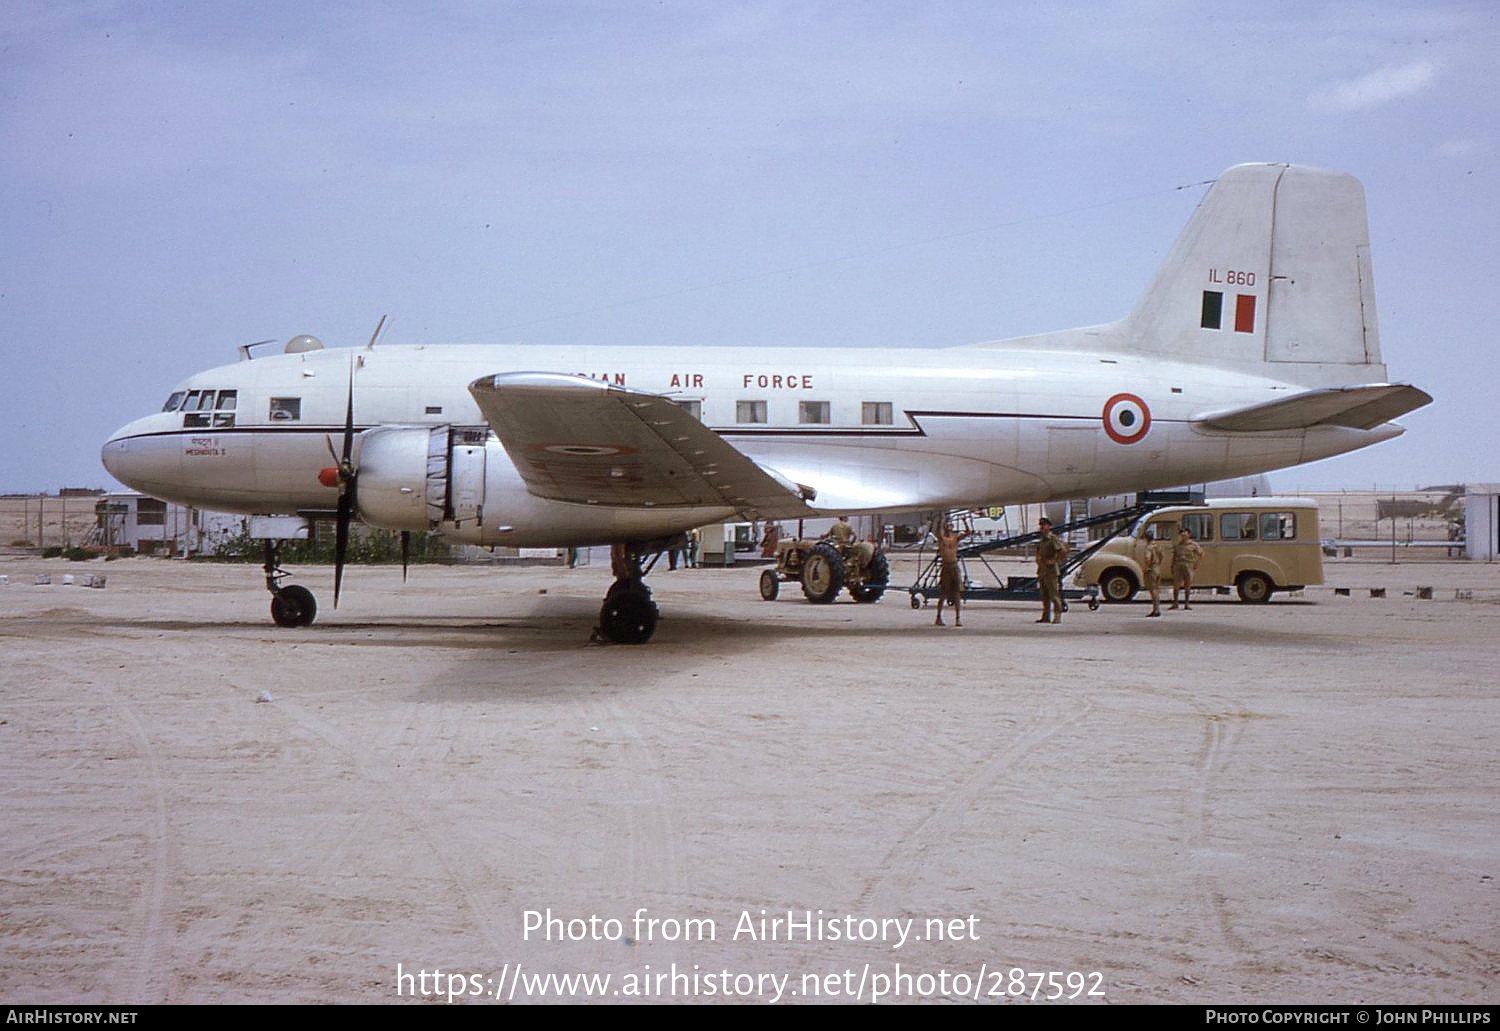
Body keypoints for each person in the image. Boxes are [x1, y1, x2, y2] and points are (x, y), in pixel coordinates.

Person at [932, 520, 969, 627]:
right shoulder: (942, 539)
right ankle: (938, 617)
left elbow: (968, 532)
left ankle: (957, 618)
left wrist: (965, 521)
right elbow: (939, 533)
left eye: (951, 526)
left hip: (954, 566)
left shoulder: (955, 538)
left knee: (957, 593)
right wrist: (940, 520)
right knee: (943, 593)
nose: (949, 527)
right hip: (946, 567)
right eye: (947, 526)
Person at [1035, 517, 1068, 624]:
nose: (1041, 527)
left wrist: (1054, 561)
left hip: (1051, 571)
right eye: (1040, 525)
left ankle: (1057, 616)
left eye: (1043, 525)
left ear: (1049, 526)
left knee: (1054, 594)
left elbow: (1062, 551)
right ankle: (1046, 617)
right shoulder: (1042, 540)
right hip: (1043, 570)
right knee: (1044, 595)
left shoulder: (1052, 539)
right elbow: (1039, 552)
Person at [1170, 525, 1203, 610]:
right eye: (1182, 534)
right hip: (1178, 564)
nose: (1183, 535)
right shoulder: (1178, 545)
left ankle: (1186, 604)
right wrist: (1172, 565)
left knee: (1187, 585)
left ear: (1189, 534)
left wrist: (1196, 564)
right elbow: (1174, 555)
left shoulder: (1193, 544)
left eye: (1185, 533)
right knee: (1176, 585)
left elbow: (1201, 554)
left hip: (1188, 565)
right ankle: (1175, 603)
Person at [1142, 531, 1165, 617]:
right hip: (1157, 568)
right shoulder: (1157, 546)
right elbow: (1162, 556)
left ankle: (1156, 610)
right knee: (1156, 589)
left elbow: (1148, 558)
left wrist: (1147, 568)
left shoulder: (1149, 547)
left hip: (1151, 569)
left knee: (1153, 590)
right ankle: (1157, 609)